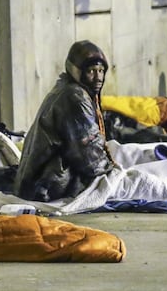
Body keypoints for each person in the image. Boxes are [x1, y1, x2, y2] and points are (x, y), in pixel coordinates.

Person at [14, 40, 116, 202]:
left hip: (37, 183)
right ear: (76, 70)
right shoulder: (75, 97)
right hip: (48, 188)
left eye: (101, 71)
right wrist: (114, 173)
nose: (98, 78)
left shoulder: (65, 87)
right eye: (91, 71)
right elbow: (91, 159)